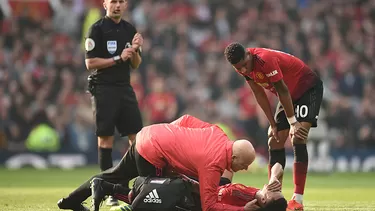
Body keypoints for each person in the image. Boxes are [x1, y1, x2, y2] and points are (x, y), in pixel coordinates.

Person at [57, 114, 257, 211]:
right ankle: (109, 190)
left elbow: (186, 119)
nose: (246, 168)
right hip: (153, 152)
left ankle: (70, 201)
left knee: (116, 173)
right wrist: (243, 210)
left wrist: (168, 136)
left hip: (149, 134)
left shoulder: (218, 133)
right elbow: (210, 206)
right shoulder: (212, 164)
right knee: (163, 198)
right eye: (245, 164)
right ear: (235, 157)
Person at [224, 42, 324, 211]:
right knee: (274, 138)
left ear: (248, 54)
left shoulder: (265, 60)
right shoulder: (241, 66)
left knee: (298, 136)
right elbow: (258, 93)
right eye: (239, 68)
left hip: (307, 88)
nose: (243, 71)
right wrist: (272, 124)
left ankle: (297, 199)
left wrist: (293, 123)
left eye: (245, 66)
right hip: (288, 94)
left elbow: (282, 90)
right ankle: (272, 196)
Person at [84, 0, 144, 206]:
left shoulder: (129, 29)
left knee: (136, 141)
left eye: (121, 1)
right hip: (103, 88)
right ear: (105, 4)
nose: (117, 5)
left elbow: (135, 64)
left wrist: (135, 49)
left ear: (125, 4)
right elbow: (90, 63)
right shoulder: (97, 29)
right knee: (105, 140)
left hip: (124, 88)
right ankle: (106, 191)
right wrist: (119, 58)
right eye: (113, 1)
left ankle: (130, 189)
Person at [99, 163, 287, 211]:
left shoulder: (247, 205)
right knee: (227, 163)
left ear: (264, 201)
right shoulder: (260, 194)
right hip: (214, 187)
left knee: (167, 188)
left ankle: (113, 190)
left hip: (202, 198)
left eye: (271, 193)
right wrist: (273, 178)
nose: (271, 189)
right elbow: (278, 165)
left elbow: (211, 204)